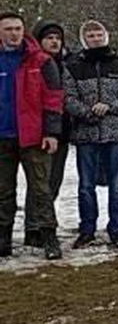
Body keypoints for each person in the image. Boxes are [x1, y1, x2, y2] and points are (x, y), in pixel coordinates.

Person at [62, 19, 118, 249]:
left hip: (116, 134)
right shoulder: (73, 68)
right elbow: (67, 98)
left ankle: (116, 230)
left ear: (106, 36)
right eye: (90, 36)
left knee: (116, 186)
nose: (95, 39)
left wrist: (110, 107)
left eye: (99, 35)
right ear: (83, 40)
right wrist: (87, 112)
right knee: (86, 186)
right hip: (85, 135)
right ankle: (87, 229)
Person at [0, 12, 65, 260]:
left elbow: (53, 99)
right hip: (3, 137)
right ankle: (3, 238)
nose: (14, 33)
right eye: (8, 29)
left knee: (41, 189)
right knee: (3, 190)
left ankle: (49, 236)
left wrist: (51, 132)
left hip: (34, 137)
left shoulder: (41, 61)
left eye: (17, 28)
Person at [24, 21, 70, 248]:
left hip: (63, 132)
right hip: (38, 131)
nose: (54, 42)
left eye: (58, 38)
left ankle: (43, 223)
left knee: (53, 182)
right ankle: (34, 228)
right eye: (49, 38)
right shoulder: (33, 63)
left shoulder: (68, 64)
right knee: (39, 183)